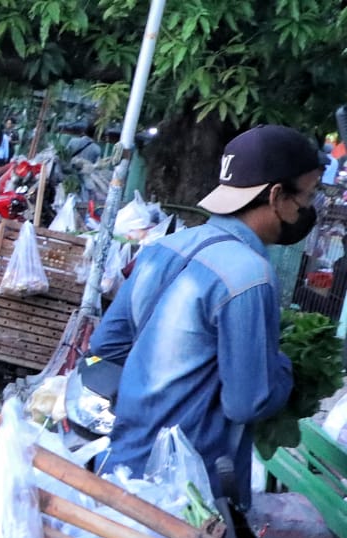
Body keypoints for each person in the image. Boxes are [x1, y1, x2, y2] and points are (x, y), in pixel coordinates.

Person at [88, 124, 320, 508]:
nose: (306, 211)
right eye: (307, 198)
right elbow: (247, 402)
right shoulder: (248, 276)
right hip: (190, 493)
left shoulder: (163, 249)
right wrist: (282, 368)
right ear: (277, 196)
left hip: (123, 466)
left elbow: (106, 345)